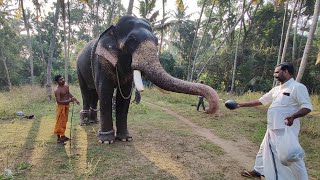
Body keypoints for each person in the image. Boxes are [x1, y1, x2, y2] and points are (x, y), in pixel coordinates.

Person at [235, 63, 313, 179]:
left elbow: (307, 107)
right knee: (263, 150)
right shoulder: (276, 89)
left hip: (285, 130)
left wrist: (293, 116)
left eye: (277, 72)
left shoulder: (297, 87)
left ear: (286, 71)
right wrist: (240, 104)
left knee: (290, 156)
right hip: (272, 128)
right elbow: (261, 101)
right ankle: (258, 171)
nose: (274, 75)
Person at [54, 74, 79, 145]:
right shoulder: (57, 90)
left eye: (63, 78)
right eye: (60, 79)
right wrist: (69, 101)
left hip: (66, 106)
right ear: (57, 82)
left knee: (64, 121)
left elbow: (68, 94)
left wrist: (75, 99)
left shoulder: (66, 86)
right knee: (59, 122)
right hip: (61, 107)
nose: (63, 80)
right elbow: (59, 101)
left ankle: (63, 136)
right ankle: (58, 140)